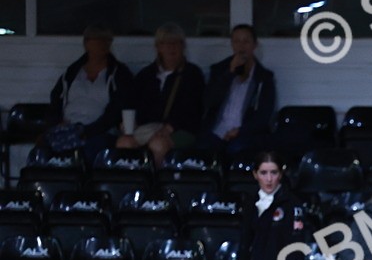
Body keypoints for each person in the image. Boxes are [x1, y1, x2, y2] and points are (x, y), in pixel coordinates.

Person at [115, 23, 205, 167]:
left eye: (175, 43)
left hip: (181, 129)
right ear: (158, 47)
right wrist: (130, 123)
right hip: (148, 127)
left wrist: (170, 128)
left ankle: (154, 184)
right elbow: (132, 102)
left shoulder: (192, 74)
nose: (171, 47)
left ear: (183, 46)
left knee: (158, 145)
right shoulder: (146, 75)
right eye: (165, 43)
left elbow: (193, 109)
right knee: (124, 142)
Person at [45, 25, 134, 163]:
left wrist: (88, 131)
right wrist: (58, 122)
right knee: (46, 149)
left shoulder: (119, 73)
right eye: (98, 40)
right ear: (86, 43)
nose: (103, 44)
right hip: (68, 128)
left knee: (91, 149)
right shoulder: (72, 72)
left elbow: (118, 108)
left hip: (99, 131)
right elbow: (56, 99)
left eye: (107, 40)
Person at [239, 151, 307, 260]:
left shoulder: (293, 205)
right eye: (263, 173)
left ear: (281, 174)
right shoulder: (250, 203)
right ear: (255, 174)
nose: (269, 179)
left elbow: (295, 253)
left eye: (273, 173)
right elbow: (245, 245)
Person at [200, 24, 276, 156]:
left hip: (245, 132)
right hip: (218, 129)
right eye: (237, 41)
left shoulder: (263, 77)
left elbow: (264, 116)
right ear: (232, 44)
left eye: (246, 41)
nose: (241, 46)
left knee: (237, 148)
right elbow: (209, 101)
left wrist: (240, 131)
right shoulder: (219, 70)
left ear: (254, 45)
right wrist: (229, 74)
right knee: (204, 147)